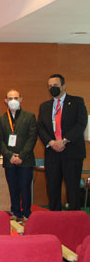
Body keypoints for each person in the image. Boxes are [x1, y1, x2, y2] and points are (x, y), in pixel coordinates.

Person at [37, 74, 87, 211]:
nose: (52, 88)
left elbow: (81, 123)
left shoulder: (77, 102)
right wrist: (52, 142)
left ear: (63, 86)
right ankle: (55, 217)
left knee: (72, 188)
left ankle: (74, 219)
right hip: (52, 152)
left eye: (55, 85)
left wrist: (64, 141)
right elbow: (40, 127)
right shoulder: (45, 106)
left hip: (72, 152)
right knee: (52, 188)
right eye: (50, 86)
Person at [0, 89, 37, 220]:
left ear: (21, 99)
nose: (13, 101)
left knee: (25, 187)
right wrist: (9, 156)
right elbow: (0, 140)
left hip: (25, 160)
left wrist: (21, 156)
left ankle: (26, 212)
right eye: (10, 98)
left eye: (16, 97)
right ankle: (15, 212)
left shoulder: (30, 116)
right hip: (9, 160)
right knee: (13, 188)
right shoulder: (2, 119)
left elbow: (32, 138)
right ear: (6, 101)